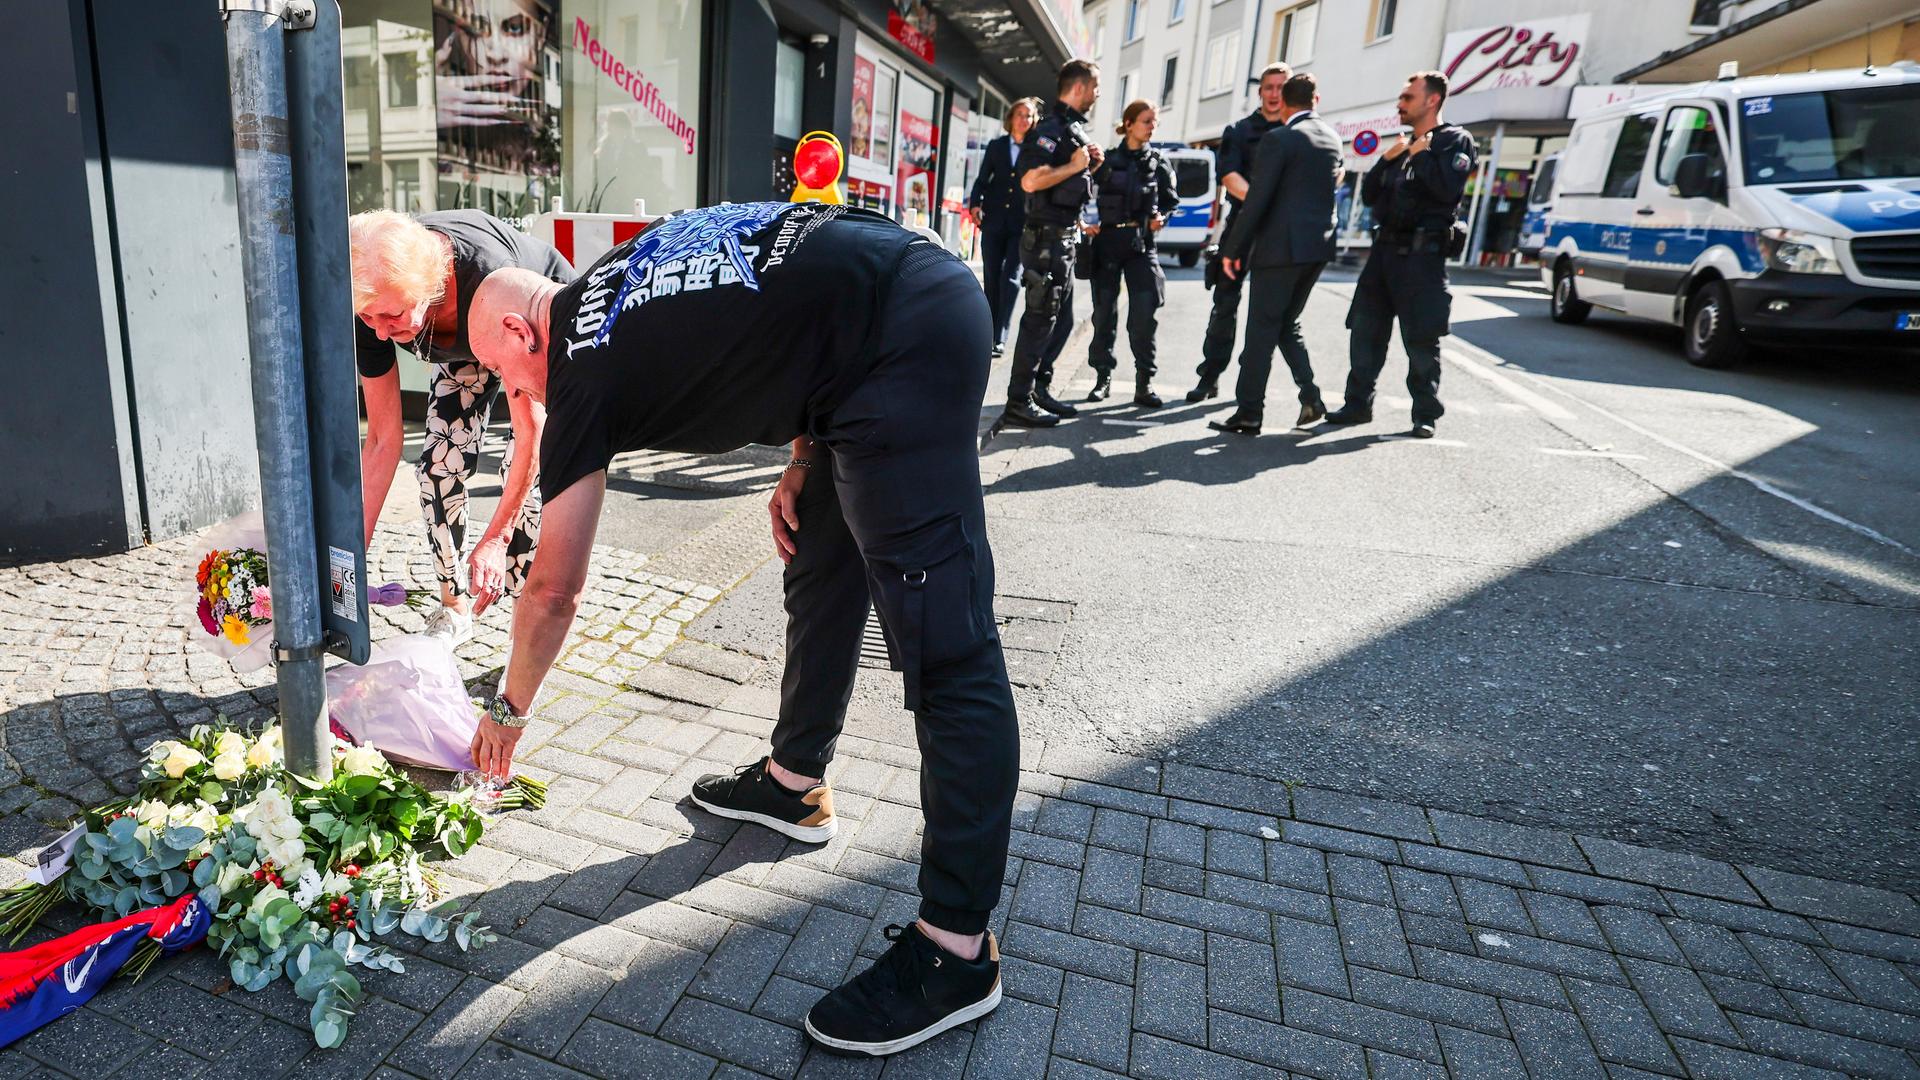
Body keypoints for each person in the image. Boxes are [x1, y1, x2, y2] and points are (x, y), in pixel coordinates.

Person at [457, 202, 1020, 1057]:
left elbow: (554, 590)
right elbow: (777, 291)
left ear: (519, 330)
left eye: (506, 377)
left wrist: (508, 709)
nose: (517, 398)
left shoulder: (579, 367)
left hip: (901, 338)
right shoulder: (618, 273)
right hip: (871, 322)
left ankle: (956, 952)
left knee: (948, 649)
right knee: (821, 571)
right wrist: (803, 457)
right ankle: (794, 783)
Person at [349, 209, 574, 642]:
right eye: (369, 318)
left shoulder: (491, 279)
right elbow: (380, 441)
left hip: (529, 328)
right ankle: (454, 606)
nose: (379, 334)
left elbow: (531, 433)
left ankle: (525, 618)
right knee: (437, 467)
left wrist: (495, 537)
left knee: (529, 481)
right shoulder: (372, 302)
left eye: (392, 317)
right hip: (459, 341)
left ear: (427, 288)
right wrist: (350, 559)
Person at [1329, 71, 1477, 439]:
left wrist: (1421, 157)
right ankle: (1357, 404)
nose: (1400, 103)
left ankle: (1425, 413)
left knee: (1422, 339)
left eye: (1408, 97)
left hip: (1422, 258)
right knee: (1365, 330)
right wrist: (1386, 159)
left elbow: (1446, 191)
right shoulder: (1402, 145)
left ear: (1432, 100)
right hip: (1383, 255)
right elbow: (1369, 198)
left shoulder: (1454, 141)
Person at [1209, 73, 1342, 435]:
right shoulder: (1332, 138)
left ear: (1283, 103)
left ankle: (1249, 412)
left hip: (1280, 249)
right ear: (1316, 101)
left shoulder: (1279, 139)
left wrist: (1233, 249)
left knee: (1261, 332)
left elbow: (1257, 201)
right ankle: (1311, 396)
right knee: (1286, 323)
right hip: (1316, 250)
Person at [1002, 59, 1104, 429]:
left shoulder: (1073, 130)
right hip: (1044, 240)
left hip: (1063, 239)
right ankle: (1018, 400)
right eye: (1094, 87)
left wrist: (1086, 168)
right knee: (1039, 322)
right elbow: (1030, 180)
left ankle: (1038, 390)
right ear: (1078, 88)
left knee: (1062, 323)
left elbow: (1065, 185)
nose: (1097, 94)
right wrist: (1075, 166)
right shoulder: (1050, 129)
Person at [1186, 62, 1291, 404]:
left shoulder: (1297, 132)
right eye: (1269, 87)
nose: (1275, 94)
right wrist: (1266, 202)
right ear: (1260, 91)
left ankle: (1250, 388)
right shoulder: (1239, 130)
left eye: (1281, 87)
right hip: (1242, 226)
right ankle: (1210, 377)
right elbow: (1230, 177)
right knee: (1224, 306)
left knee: (1267, 312)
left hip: (1277, 231)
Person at [1085, 100, 1177, 407]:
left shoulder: (1159, 162)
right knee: (1104, 315)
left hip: (1141, 244)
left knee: (1143, 316)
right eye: (1147, 121)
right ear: (1129, 123)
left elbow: (1170, 202)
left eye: (1154, 122)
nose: (1152, 127)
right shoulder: (1107, 160)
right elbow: (1082, 192)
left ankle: (1143, 382)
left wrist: (1163, 216)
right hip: (1108, 242)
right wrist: (1086, 223)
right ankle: (1102, 378)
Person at [967, 97, 1041, 358]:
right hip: (994, 219)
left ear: (1034, 122)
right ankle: (986, 332)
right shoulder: (997, 146)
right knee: (991, 275)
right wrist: (975, 204)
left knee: (1010, 277)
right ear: (1011, 118)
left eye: (1029, 116)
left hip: (1022, 223)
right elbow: (982, 179)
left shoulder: (1036, 148)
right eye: (1020, 114)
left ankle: (1000, 337)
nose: (1024, 119)